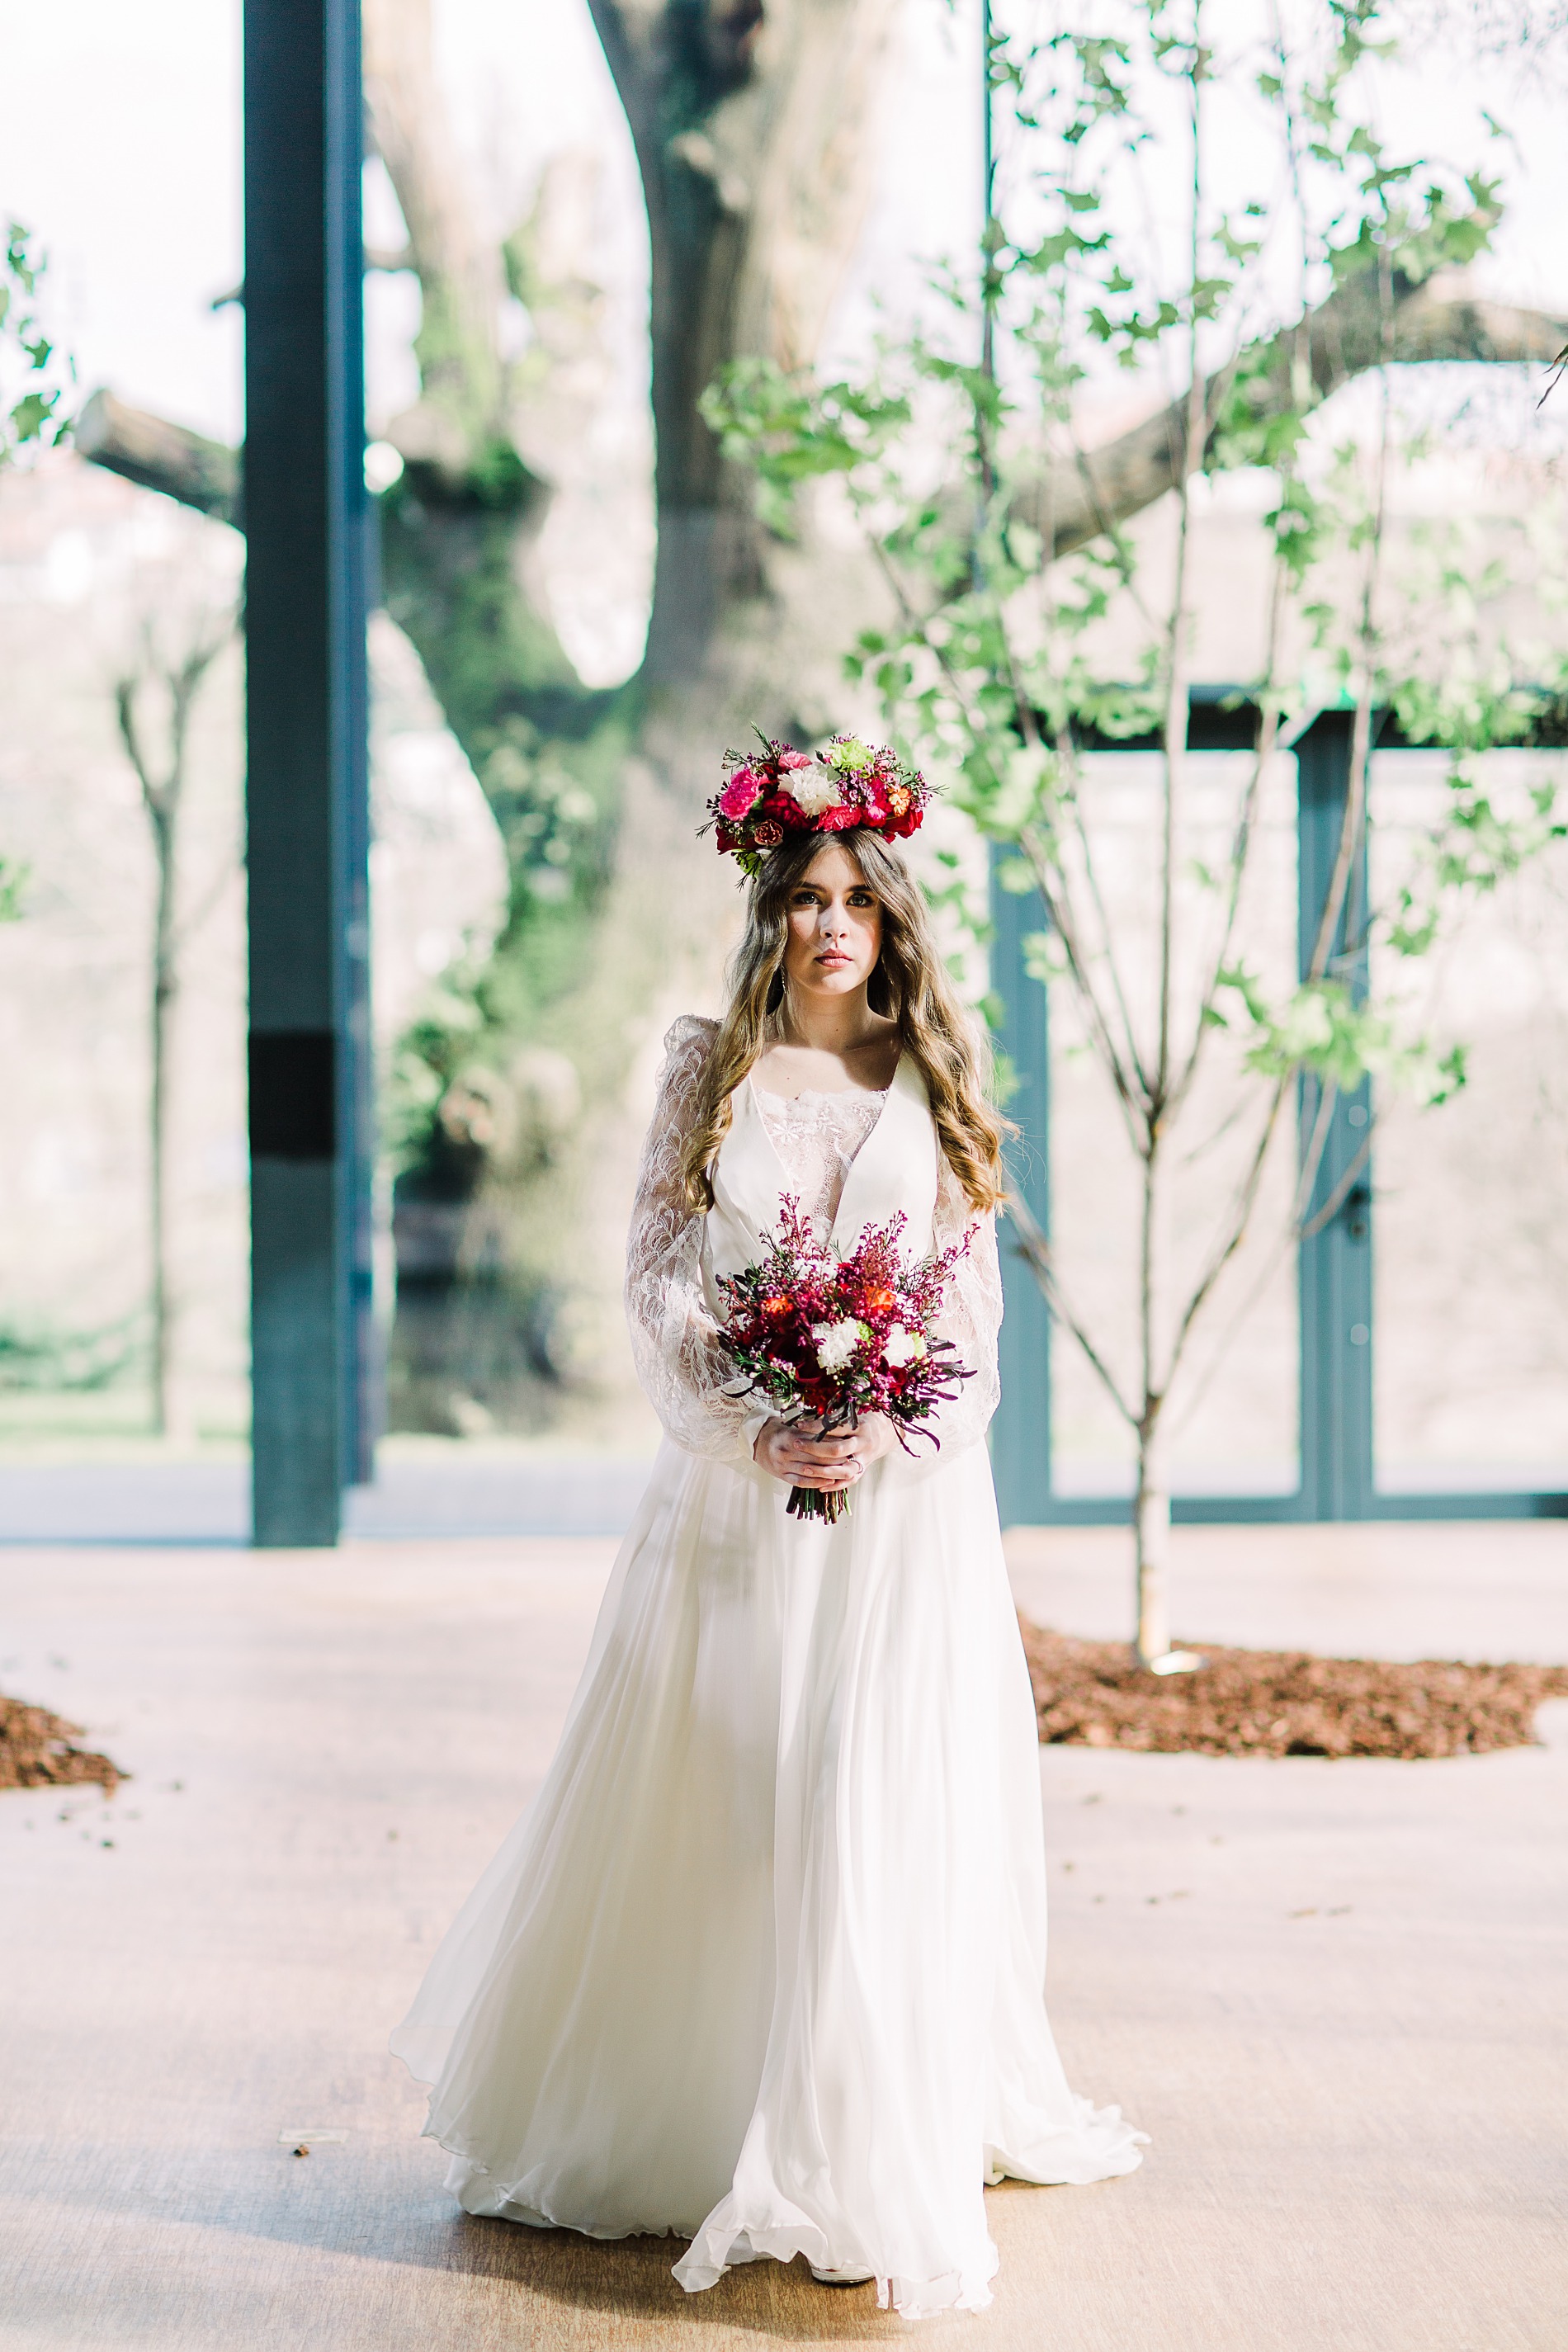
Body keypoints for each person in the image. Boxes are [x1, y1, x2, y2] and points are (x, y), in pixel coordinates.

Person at [390, 748, 1145, 2319]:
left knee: (870, 1800)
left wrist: (891, 1423)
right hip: (733, 1499)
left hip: (900, 1520)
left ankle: (867, 2126)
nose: (830, 925)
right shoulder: (704, 1064)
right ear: (768, 910)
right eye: (805, 897)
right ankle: (700, 2102)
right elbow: (658, 1276)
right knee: (729, 1790)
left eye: (858, 900)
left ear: (892, 919)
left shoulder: (930, 1073)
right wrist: (753, 1422)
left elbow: (974, 1316)